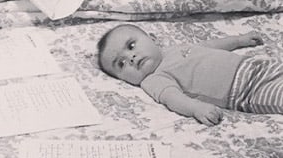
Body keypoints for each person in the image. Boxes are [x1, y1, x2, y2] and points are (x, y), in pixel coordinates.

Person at [97, 23, 282, 125]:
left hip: (256, 67)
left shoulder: (174, 49)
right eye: (120, 63)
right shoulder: (153, 79)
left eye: (131, 45)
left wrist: (238, 40)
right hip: (247, 91)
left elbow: (211, 45)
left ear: (151, 38)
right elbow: (173, 98)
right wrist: (196, 108)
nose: (131, 57)